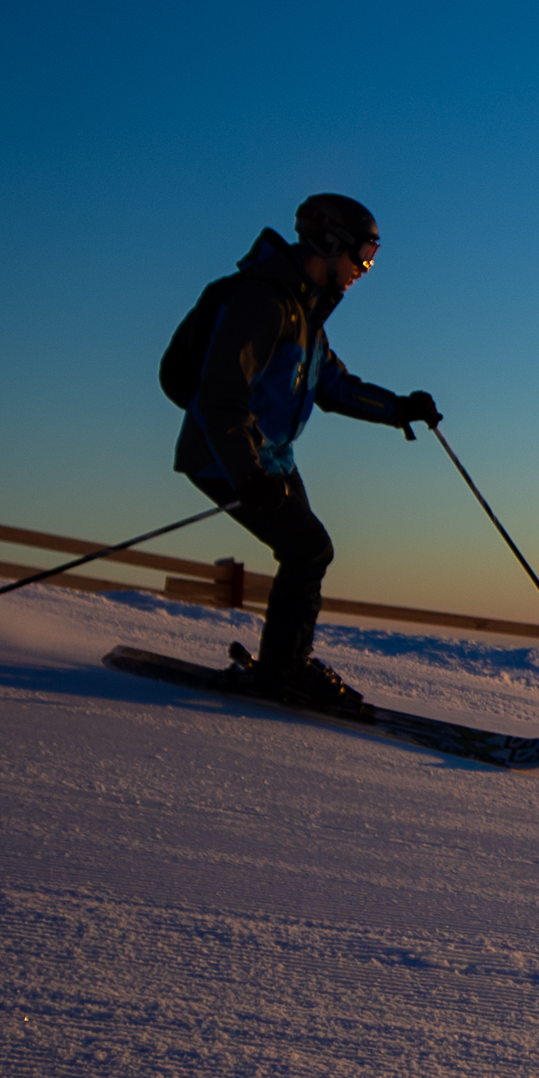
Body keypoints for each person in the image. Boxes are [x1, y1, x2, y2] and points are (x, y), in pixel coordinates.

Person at [173, 192, 438, 716]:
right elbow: (221, 398)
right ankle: (284, 670)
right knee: (309, 549)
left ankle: (285, 664)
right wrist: (247, 473)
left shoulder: (305, 315)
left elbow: (334, 386)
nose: (365, 269)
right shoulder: (264, 303)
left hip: (271, 462)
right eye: (363, 255)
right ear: (330, 242)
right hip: (227, 457)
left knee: (309, 552)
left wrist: (400, 409)